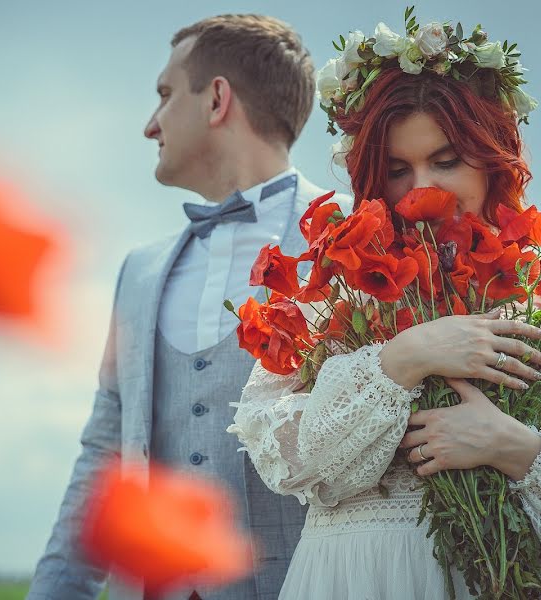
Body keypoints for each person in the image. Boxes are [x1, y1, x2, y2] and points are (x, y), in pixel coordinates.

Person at [228, 15, 541, 600]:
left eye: (446, 161)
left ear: (492, 157)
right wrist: (400, 360)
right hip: (354, 579)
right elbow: (286, 460)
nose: (421, 188)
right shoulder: (338, 293)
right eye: (398, 170)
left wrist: (512, 447)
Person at [27, 14, 351, 600]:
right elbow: (104, 458)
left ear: (217, 99)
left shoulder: (353, 238)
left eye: (165, 94)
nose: (151, 125)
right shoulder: (137, 273)